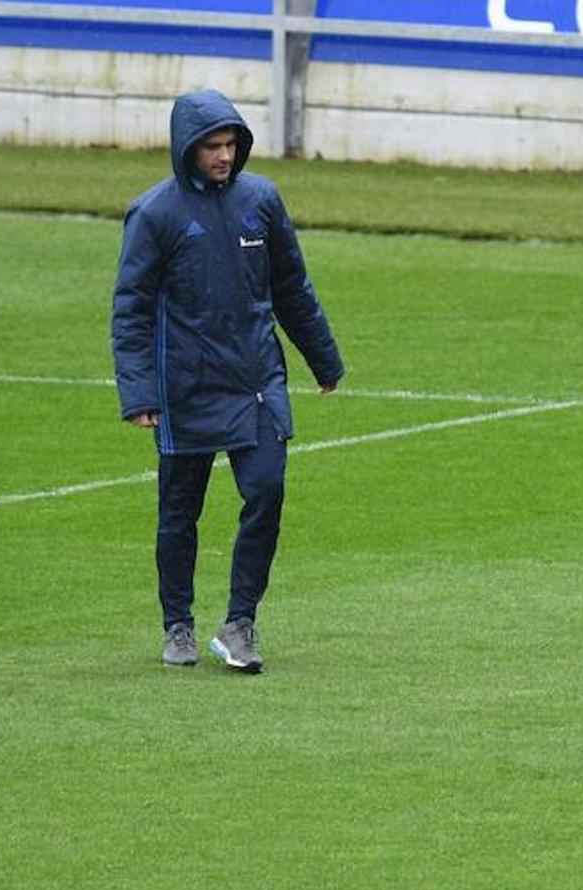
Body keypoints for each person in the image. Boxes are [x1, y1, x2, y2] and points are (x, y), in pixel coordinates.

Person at [112, 88, 345, 673]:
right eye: (211, 145)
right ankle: (178, 625)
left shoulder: (261, 201)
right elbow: (131, 307)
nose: (222, 155)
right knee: (179, 513)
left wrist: (324, 359)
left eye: (230, 143)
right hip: (185, 387)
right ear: (186, 149)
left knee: (266, 491)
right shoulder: (155, 214)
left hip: (255, 383)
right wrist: (139, 392)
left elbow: (292, 287)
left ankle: (240, 623)